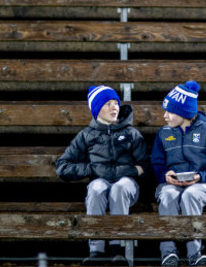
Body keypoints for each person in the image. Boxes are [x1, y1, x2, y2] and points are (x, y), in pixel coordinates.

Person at [56, 85, 149, 266]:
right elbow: (62, 166)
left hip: (127, 186)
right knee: (96, 187)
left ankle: (117, 249)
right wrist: (91, 169)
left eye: (116, 103)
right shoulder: (86, 135)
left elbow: (146, 166)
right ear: (97, 109)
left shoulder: (131, 133)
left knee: (120, 188)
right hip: (100, 183)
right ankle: (96, 251)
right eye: (108, 104)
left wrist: (128, 172)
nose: (114, 107)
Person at [150, 81, 206, 267]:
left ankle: (195, 253)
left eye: (170, 112)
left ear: (184, 113)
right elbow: (157, 163)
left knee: (191, 195)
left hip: (200, 184)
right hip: (171, 184)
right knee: (168, 195)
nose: (165, 115)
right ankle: (168, 253)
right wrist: (165, 175)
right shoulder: (163, 134)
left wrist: (200, 177)